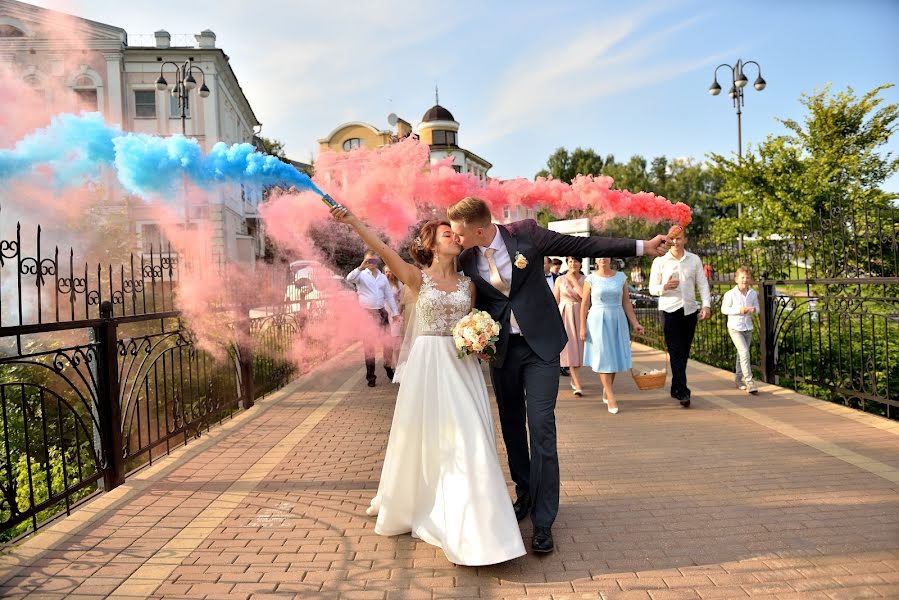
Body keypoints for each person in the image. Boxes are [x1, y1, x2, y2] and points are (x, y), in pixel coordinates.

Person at [449, 196, 671, 553]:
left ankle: (544, 519)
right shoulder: (464, 256)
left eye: (459, 233)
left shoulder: (526, 236)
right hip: (502, 352)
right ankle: (524, 495)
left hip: (541, 348)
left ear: (479, 229)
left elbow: (583, 244)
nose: (455, 238)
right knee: (511, 428)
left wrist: (643, 246)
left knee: (541, 427)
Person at [332, 206, 526, 566]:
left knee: (472, 437)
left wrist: (479, 339)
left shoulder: (470, 285)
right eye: (447, 234)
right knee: (428, 439)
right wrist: (354, 221)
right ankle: (436, 508)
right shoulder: (418, 278)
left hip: (461, 366)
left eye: (455, 233)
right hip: (428, 365)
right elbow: (382, 249)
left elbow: (473, 319)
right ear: (433, 246)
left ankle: (480, 528)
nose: (454, 236)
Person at [648, 229, 711, 408]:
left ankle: (676, 386)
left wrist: (706, 305)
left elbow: (702, 284)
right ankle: (683, 391)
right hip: (669, 310)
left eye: (679, 238)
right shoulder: (660, 261)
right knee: (675, 351)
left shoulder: (694, 260)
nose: (675, 242)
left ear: (685, 240)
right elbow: (652, 288)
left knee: (683, 352)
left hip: (690, 310)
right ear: (668, 240)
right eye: (672, 239)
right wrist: (665, 287)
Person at [580, 257, 645, 413]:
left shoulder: (621, 277)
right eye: (600, 257)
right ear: (596, 260)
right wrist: (582, 326)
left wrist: (635, 323)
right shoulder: (591, 278)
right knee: (604, 356)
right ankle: (610, 395)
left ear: (610, 259)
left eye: (606, 256)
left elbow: (626, 302)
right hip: (597, 320)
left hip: (617, 318)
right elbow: (584, 304)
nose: (603, 259)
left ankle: (607, 388)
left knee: (613, 356)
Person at [346, 251, 400, 387]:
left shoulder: (382, 278)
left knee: (387, 343)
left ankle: (388, 367)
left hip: (381, 312)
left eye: (374, 261)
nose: (371, 263)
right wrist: (361, 267)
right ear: (364, 261)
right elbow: (349, 279)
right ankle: (371, 377)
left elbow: (389, 296)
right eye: (368, 260)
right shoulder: (360, 276)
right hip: (367, 314)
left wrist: (395, 312)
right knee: (369, 346)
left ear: (378, 262)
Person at [721, 266, 759, 394]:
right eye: (742, 277)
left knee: (741, 354)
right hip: (735, 327)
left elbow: (758, 308)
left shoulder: (752, 293)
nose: (745, 280)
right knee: (744, 353)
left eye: (747, 277)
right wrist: (739, 310)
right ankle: (749, 382)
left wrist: (754, 310)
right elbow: (724, 309)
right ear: (736, 279)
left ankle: (738, 380)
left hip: (747, 327)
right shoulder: (730, 294)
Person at [553, 257, 586, 395]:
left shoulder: (586, 279)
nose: (573, 264)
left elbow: (585, 297)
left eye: (576, 261)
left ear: (580, 263)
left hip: (580, 314)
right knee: (570, 348)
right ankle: (578, 385)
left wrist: (573, 280)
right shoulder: (559, 280)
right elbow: (555, 300)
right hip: (565, 314)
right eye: (571, 261)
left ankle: (574, 379)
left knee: (580, 348)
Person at [383, 266, 405, 370]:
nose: (388, 273)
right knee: (390, 342)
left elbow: (402, 300)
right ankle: (393, 365)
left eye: (390, 271)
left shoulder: (399, 284)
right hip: (387, 314)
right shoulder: (381, 284)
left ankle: (399, 365)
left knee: (398, 341)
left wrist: (399, 312)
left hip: (397, 315)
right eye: (386, 271)